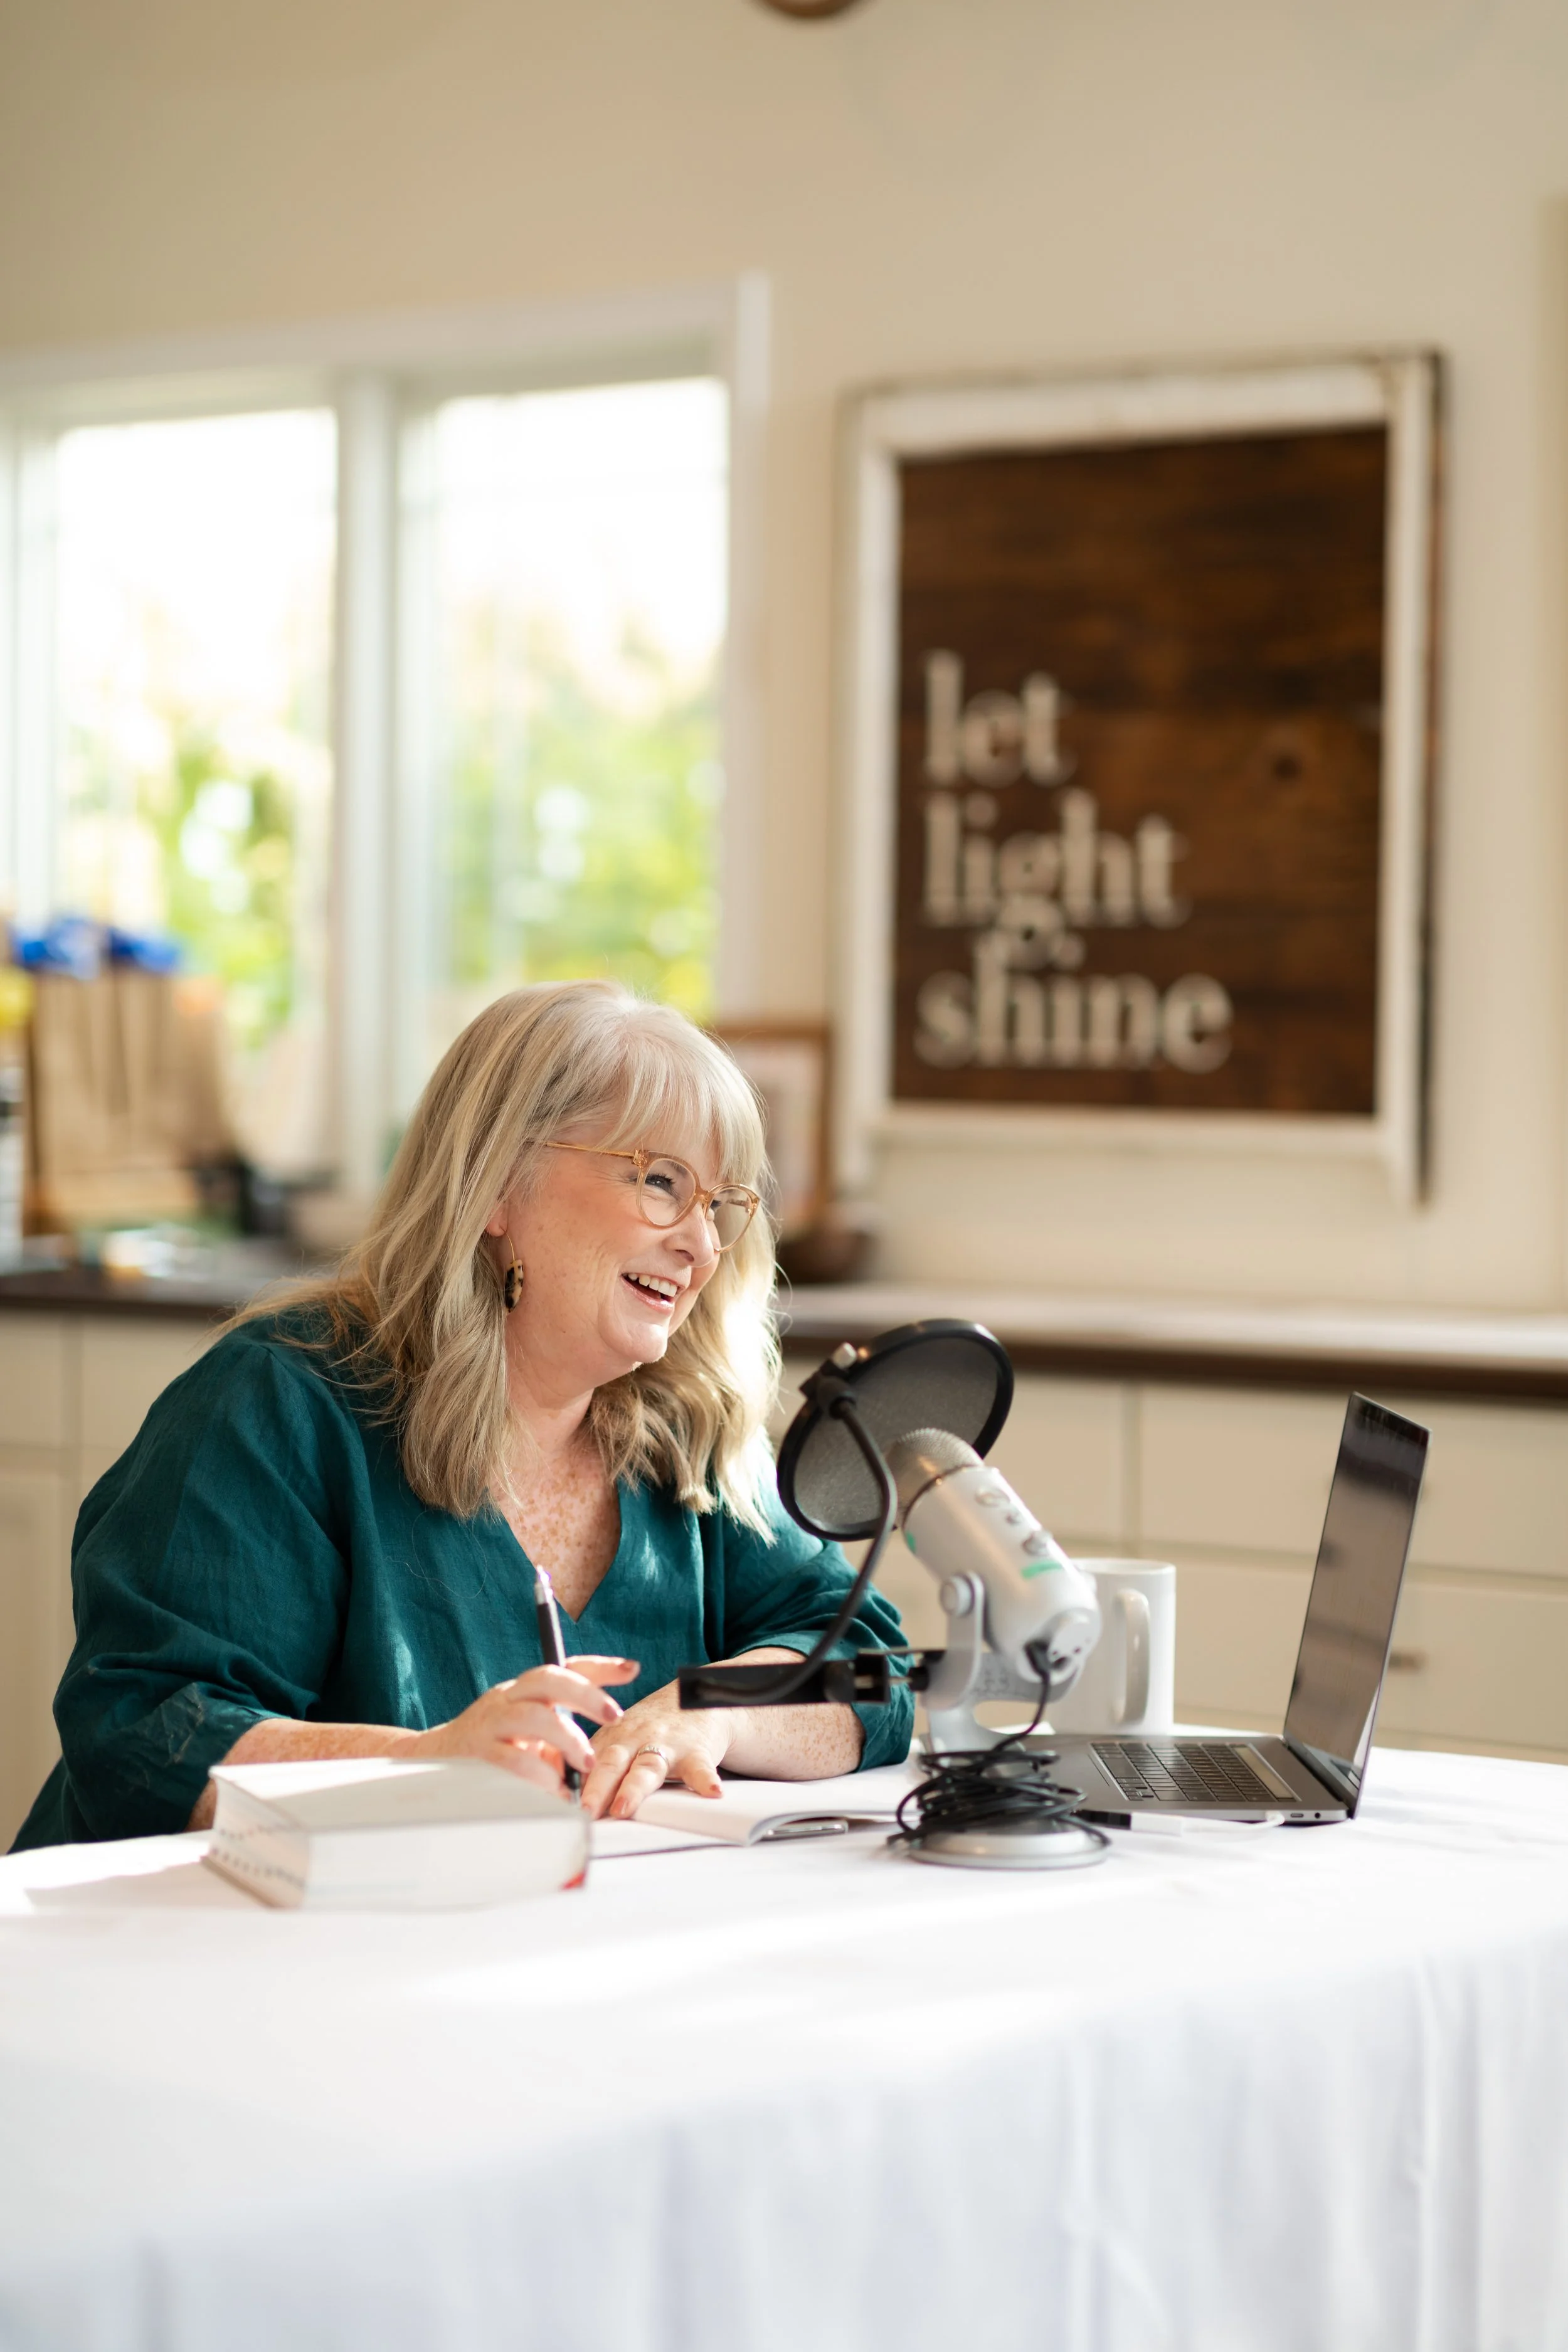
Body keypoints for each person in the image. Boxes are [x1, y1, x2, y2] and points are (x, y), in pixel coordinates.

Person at [12, 981, 911, 1850]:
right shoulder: (276, 1403)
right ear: (499, 1186)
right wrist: (426, 1765)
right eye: (662, 1182)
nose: (703, 1244)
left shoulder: (687, 1429)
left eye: (721, 1204)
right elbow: (144, 1733)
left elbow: (876, 1674)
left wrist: (712, 1709)